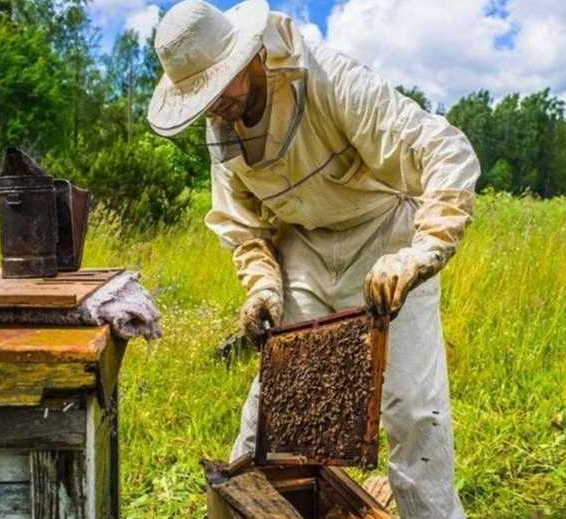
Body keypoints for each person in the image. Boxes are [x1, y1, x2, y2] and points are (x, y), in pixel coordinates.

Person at [148, 1, 481, 517]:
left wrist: (422, 252)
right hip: (303, 244)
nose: (215, 106)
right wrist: (262, 286)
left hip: (384, 234)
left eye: (221, 87)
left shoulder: (330, 78)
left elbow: (446, 151)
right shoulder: (221, 127)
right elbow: (245, 228)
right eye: (203, 97)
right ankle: (242, 507)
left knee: (413, 410)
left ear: (252, 55)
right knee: (273, 401)